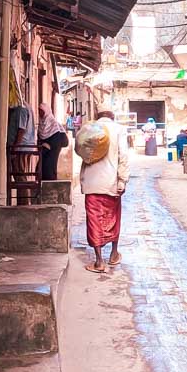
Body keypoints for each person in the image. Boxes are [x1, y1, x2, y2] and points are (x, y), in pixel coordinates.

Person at [79, 110, 130, 273]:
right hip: (111, 182)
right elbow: (124, 157)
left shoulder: (89, 129)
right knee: (113, 218)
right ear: (112, 118)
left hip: (92, 182)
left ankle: (99, 261)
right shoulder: (119, 129)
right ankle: (114, 254)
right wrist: (122, 180)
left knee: (94, 220)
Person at [38, 102, 69, 181]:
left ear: (46, 111)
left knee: (49, 170)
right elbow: (40, 138)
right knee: (40, 169)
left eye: (42, 111)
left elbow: (60, 140)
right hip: (44, 152)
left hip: (52, 151)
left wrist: (49, 145)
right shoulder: (42, 123)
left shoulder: (53, 123)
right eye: (39, 111)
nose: (40, 113)